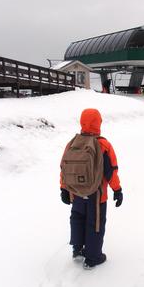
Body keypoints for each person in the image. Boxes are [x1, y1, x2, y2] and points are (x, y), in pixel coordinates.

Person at [60, 108, 123, 269]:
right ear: (98, 123)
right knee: (94, 223)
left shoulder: (73, 143)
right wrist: (117, 190)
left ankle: (77, 249)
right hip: (97, 194)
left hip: (76, 193)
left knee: (78, 218)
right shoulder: (103, 145)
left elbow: (64, 168)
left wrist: (64, 189)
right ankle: (93, 257)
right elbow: (111, 171)